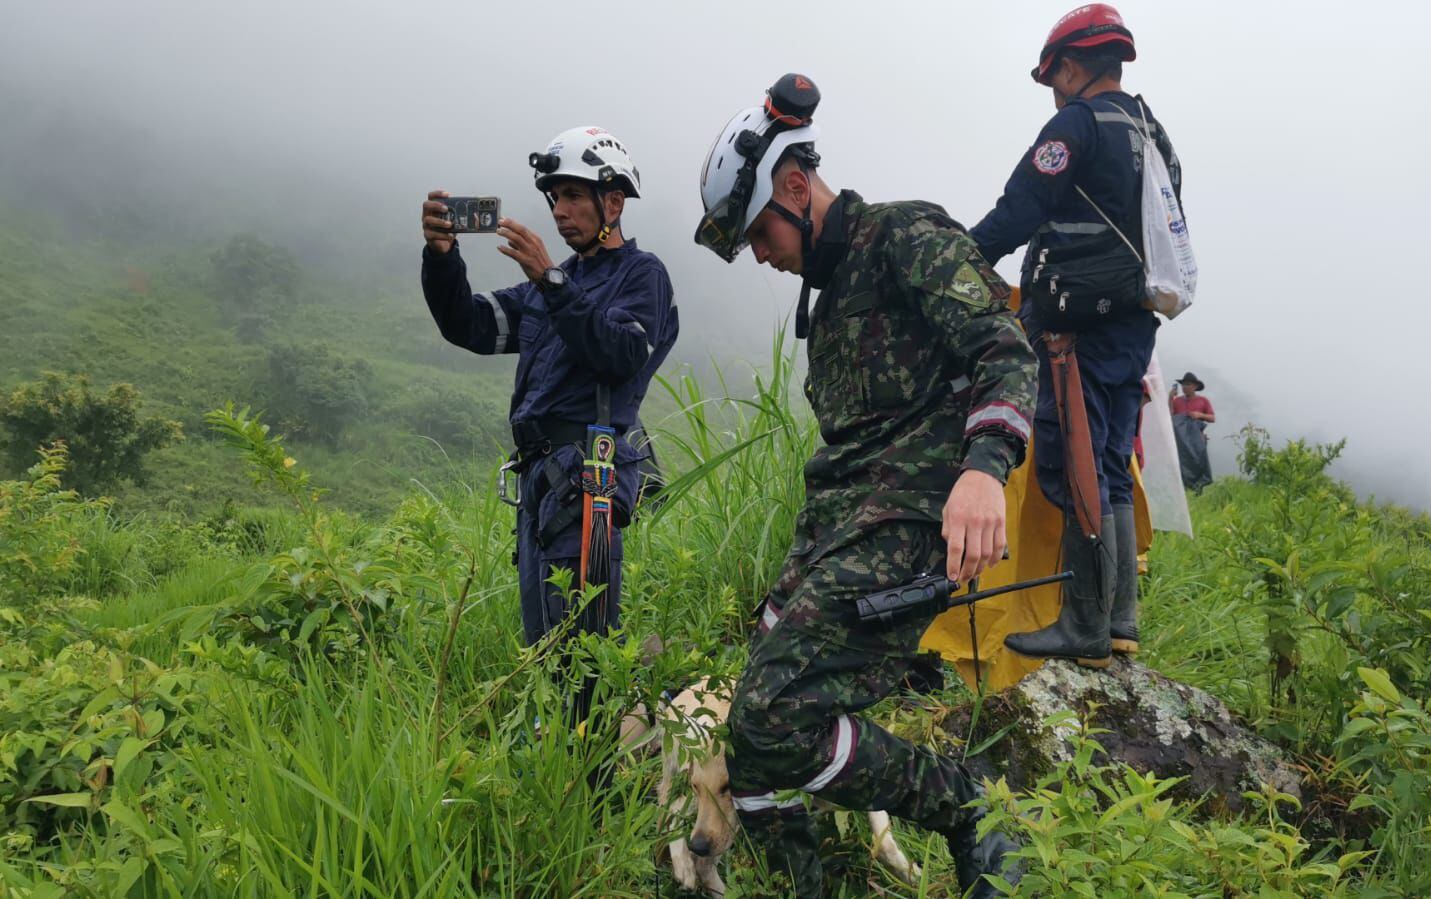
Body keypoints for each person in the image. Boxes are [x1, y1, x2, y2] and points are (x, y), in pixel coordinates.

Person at [694, 75, 1036, 898]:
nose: (760, 254)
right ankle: (799, 885)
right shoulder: (832, 291)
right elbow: (844, 460)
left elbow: (1003, 347)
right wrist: (788, 587)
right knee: (755, 721)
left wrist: (984, 471)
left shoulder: (902, 235)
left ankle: (969, 805)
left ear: (792, 185)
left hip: (916, 523)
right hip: (844, 528)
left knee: (773, 719)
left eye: (758, 234)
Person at [419, 126, 678, 720]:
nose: (560, 211)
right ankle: (566, 773)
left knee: (579, 647)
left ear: (614, 201)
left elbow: (622, 354)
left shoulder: (643, 276)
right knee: (544, 644)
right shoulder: (550, 285)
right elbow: (470, 325)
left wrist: (550, 280)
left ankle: (596, 786)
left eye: (573, 196)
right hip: (540, 483)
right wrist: (442, 257)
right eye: (553, 198)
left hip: (589, 479)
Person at [968, 3, 1184, 667]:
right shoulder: (1152, 132)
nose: (1054, 88)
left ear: (1069, 64)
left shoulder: (1076, 125)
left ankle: (1083, 624)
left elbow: (1020, 209)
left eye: (1053, 74)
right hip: (1131, 327)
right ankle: (1118, 618)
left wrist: (956, 260)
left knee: (1077, 462)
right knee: (1113, 463)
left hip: (1074, 331)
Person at [1170, 371, 1214, 492]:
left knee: (1198, 463)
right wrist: (1170, 398)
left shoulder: (1203, 400)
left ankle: (1198, 490)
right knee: (1180, 464)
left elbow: (1212, 418)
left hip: (1197, 440)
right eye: (1183, 384)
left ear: (1195, 386)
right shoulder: (1177, 400)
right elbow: (1170, 417)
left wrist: (1199, 414)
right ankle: (1182, 491)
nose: (1185, 387)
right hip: (1180, 440)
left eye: (1188, 384)